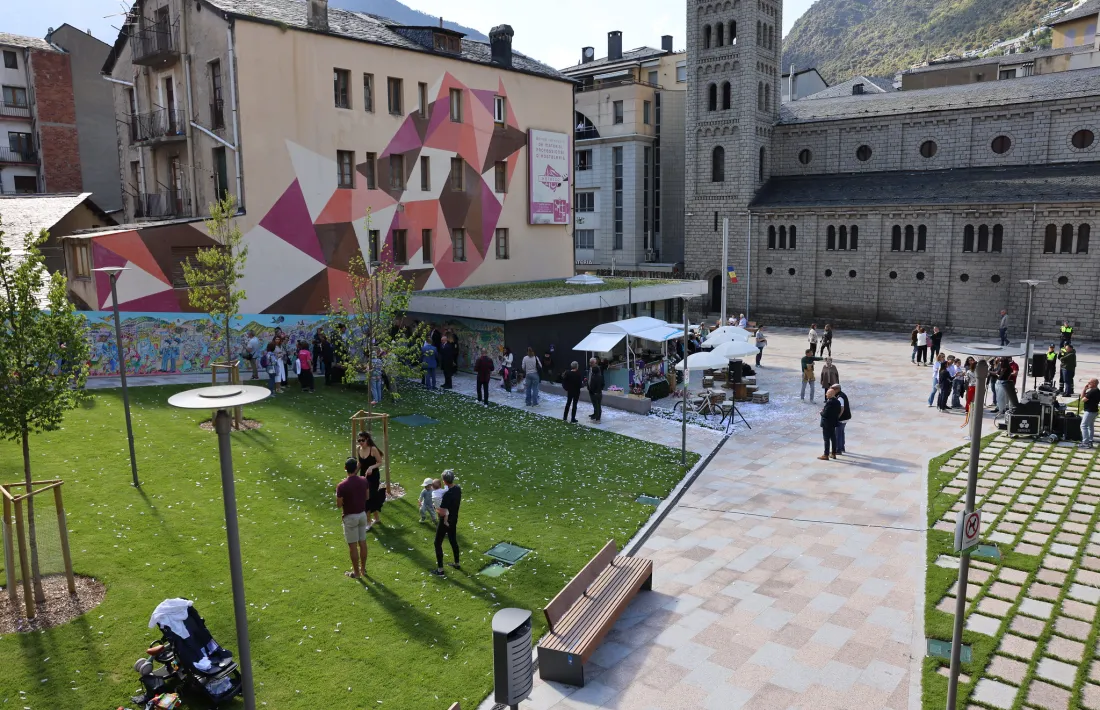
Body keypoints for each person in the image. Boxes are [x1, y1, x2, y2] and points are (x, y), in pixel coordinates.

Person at [336, 458, 369, 580]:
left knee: (353, 546)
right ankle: (363, 569)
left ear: (345, 468)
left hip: (350, 517)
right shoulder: (364, 480)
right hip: (362, 515)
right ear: (356, 468)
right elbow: (367, 496)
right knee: (363, 542)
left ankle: (356, 573)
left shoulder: (341, 486)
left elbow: (339, 504)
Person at [430, 470, 462, 576]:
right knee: (453, 540)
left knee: (437, 543)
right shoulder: (457, 489)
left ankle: (440, 570)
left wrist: (435, 508)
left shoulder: (447, 495)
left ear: (444, 481)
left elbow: (442, 511)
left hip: (445, 521)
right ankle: (457, 563)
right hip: (454, 519)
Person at [356, 431, 385, 530]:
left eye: (362, 440)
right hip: (363, 476)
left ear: (367, 439)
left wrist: (371, 467)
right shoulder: (358, 449)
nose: (360, 442)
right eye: (359, 440)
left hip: (373, 477)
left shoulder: (373, 449)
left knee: (367, 499)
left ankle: (368, 522)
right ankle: (376, 518)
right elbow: (360, 463)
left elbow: (380, 462)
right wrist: (353, 474)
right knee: (371, 497)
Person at [819, 386, 842, 461]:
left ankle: (826, 454)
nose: (826, 395)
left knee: (826, 439)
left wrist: (821, 412)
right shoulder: (837, 402)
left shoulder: (829, 403)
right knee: (833, 438)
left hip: (827, 423)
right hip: (833, 423)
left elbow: (825, 414)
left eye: (827, 394)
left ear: (831, 394)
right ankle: (834, 453)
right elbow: (838, 411)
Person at [832, 384, 851, 454]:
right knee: (841, 433)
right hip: (846, 417)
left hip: (842, 418)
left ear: (837, 389)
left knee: (838, 434)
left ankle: (838, 450)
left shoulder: (840, 397)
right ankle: (842, 447)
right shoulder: (842, 394)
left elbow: (842, 409)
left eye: (833, 389)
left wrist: (838, 417)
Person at [1081, 378, 1099, 448]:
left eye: (1089, 382)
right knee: (1090, 426)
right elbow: (1082, 397)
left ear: (1094, 383)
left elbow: (1083, 399)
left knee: (1083, 425)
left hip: (1089, 411)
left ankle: (1085, 443)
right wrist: (1085, 389)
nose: (1088, 384)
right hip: (1094, 411)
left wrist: (1085, 390)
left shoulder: (1092, 391)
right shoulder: (1097, 390)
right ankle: (1090, 440)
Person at [587, 357, 604, 422]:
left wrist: (598, 390)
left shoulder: (597, 370)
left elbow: (601, 382)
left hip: (596, 391)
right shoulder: (590, 369)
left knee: (597, 404)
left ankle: (598, 417)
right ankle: (595, 414)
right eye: (589, 362)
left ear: (595, 363)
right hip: (591, 389)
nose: (590, 364)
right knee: (594, 403)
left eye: (591, 363)